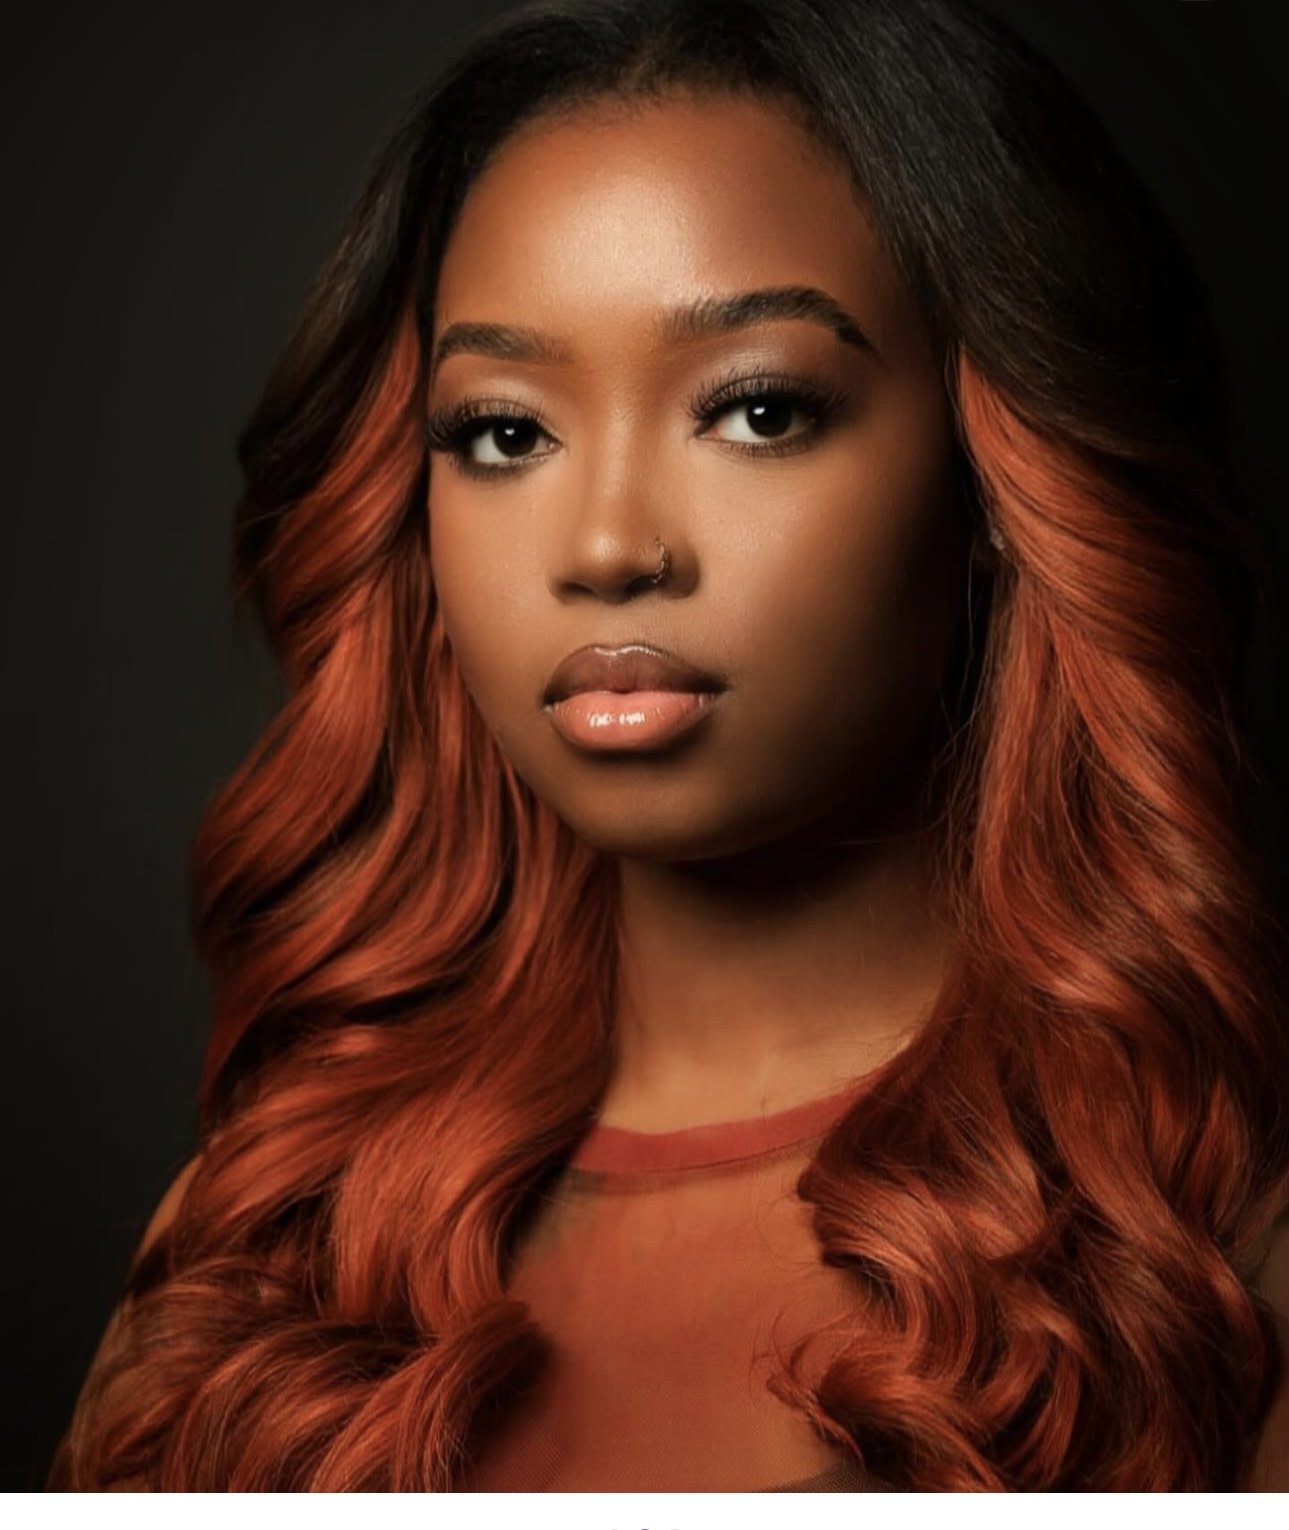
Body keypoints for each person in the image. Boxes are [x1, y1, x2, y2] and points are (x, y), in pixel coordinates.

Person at [48, 0, 1289, 1492]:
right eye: (504, 432)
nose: (607, 546)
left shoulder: (1217, 1257)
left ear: (994, 477)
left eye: (757, 409)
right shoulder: (252, 1244)